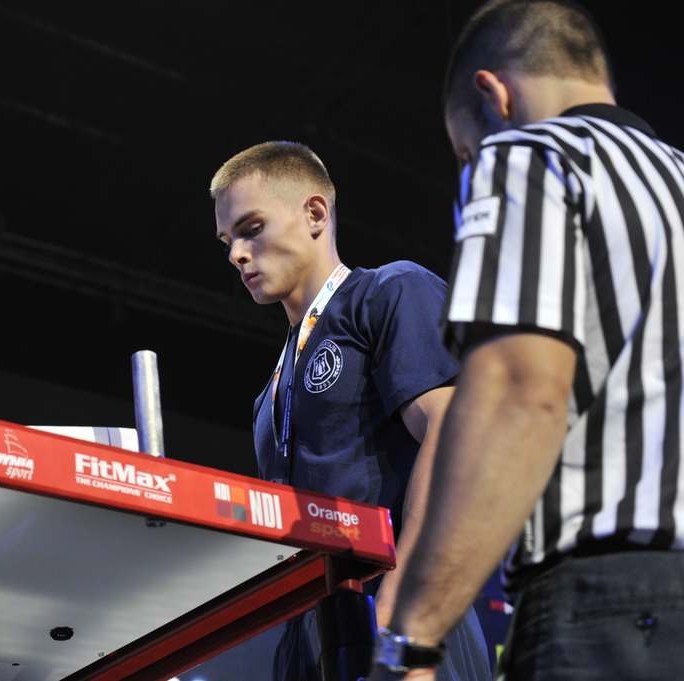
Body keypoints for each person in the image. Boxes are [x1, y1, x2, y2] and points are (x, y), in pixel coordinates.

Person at [371, 1, 684, 679]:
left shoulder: (526, 155)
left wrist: (412, 636)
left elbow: (518, 396)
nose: (471, 166)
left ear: (495, 96)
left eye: (465, 152)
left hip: (611, 607)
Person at [211, 142, 489, 680]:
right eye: (227, 241)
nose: (236, 254)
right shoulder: (270, 393)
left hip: (402, 610)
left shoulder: (389, 291)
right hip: (310, 640)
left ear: (315, 213)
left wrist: (403, 600)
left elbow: (454, 429)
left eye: (251, 228)